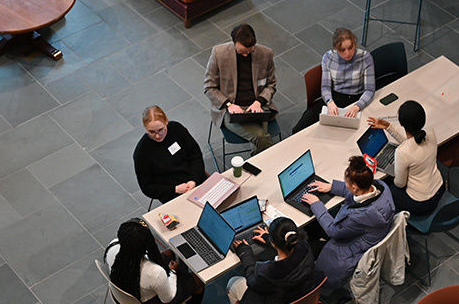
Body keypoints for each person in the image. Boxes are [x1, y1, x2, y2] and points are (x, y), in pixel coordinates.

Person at [301, 156, 395, 289]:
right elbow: (360, 192)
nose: (345, 185)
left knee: (307, 242)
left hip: (349, 249)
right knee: (317, 221)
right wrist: (332, 187)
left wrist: (316, 204)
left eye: (346, 183)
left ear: (355, 187)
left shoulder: (359, 216)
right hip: (367, 234)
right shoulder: (382, 187)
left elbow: (333, 231)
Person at [226, 217, 314, 304]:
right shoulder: (305, 245)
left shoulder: (269, 271)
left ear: (274, 243)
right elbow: (289, 249)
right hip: (307, 303)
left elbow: (252, 281)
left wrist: (245, 252)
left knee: (232, 283)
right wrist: (268, 239)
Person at [105, 218, 205, 304]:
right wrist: (173, 272)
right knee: (198, 280)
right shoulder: (154, 272)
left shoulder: (112, 246)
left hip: (124, 294)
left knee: (169, 254)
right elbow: (167, 298)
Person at [204, 23, 278, 155]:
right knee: (261, 137)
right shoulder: (218, 54)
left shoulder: (266, 54)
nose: (245, 55)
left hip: (258, 106)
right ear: (233, 43)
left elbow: (271, 84)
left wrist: (259, 101)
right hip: (230, 109)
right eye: (242, 52)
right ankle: (270, 163)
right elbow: (209, 87)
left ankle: (259, 167)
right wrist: (229, 104)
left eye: (250, 51)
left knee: (261, 138)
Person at [367, 100, 444, 216]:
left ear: (401, 123)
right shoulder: (429, 131)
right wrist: (388, 127)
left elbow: (400, 184)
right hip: (439, 188)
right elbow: (412, 143)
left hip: (420, 203)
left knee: (383, 185)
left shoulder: (402, 151)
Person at [292, 27, 375, 134]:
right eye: (342, 50)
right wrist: (330, 102)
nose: (348, 53)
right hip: (335, 97)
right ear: (335, 48)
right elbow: (326, 87)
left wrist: (357, 106)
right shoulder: (328, 58)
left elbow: (370, 89)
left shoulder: (365, 58)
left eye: (351, 48)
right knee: (299, 129)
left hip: (356, 99)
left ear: (355, 43)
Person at [133, 105, 207, 204]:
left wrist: (194, 180)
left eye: (160, 130)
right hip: (171, 193)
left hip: (196, 179)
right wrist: (175, 189)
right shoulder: (142, 152)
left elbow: (195, 155)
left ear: (166, 121)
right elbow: (147, 187)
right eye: (151, 132)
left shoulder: (177, 129)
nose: (158, 136)